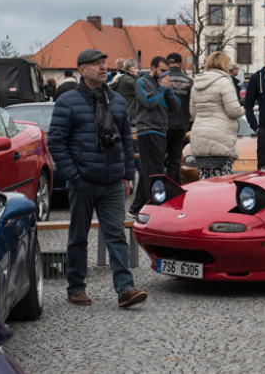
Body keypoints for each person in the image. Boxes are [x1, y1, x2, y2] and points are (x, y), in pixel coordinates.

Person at [47, 49, 146, 308]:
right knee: (78, 236)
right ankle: (76, 287)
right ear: (82, 70)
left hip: (112, 181)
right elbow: (56, 142)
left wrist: (127, 175)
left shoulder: (116, 101)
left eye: (103, 63)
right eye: (96, 64)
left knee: (116, 235)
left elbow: (125, 141)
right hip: (83, 180)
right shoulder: (68, 101)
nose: (103, 68)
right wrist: (73, 175)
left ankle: (126, 289)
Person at [129, 56, 179, 218]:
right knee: (156, 170)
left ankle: (136, 208)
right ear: (153, 68)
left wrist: (168, 89)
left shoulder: (163, 84)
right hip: (148, 130)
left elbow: (176, 106)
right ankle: (155, 208)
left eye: (167, 71)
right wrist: (163, 90)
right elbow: (149, 103)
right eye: (162, 71)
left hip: (161, 130)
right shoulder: (142, 82)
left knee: (147, 170)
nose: (165, 74)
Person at [189, 52, 244, 180]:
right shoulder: (224, 81)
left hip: (200, 139)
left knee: (204, 181)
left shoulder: (196, 83)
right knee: (221, 181)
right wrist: (244, 110)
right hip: (220, 139)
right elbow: (233, 111)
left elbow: (193, 113)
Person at [165, 52, 194, 185]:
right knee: (175, 160)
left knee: (159, 159)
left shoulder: (162, 79)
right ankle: (172, 187)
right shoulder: (189, 81)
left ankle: (159, 190)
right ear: (181, 64)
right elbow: (191, 105)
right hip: (181, 124)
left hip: (164, 124)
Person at [110, 58, 139, 123]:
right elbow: (142, 87)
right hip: (129, 111)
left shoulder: (119, 77)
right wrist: (136, 75)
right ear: (131, 69)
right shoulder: (128, 80)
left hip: (119, 110)